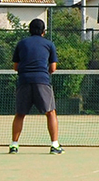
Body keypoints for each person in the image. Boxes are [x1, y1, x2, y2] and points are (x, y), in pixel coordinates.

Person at [9, 18, 63, 155]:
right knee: (50, 112)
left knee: (20, 114)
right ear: (44, 32)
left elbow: (15, 67)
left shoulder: (21, 44)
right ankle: (55, 145)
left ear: (29, 30)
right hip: (42, 81)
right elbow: (53, 68)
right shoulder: (49, 44)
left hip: (24, 81)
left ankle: (14, 145)